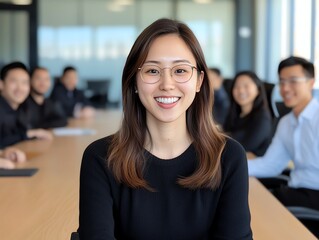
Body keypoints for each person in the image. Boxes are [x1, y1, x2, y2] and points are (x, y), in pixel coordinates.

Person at [78, 18, 252, 240]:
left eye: (180, 70)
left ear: (199, 81)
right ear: (133, 82)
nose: (167, 84)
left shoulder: (228, 157)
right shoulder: (101, 158)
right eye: (152, 71)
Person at [248, 56, 319, 212]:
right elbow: (271, 165)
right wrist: (227, 166)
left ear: (311, 82)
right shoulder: (286, 122)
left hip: (314, 196)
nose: (285, 88)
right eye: (282, 81)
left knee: (258, 210)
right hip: (294, 190)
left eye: (293, 81)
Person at [0, 62, 53, 149]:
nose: (20, 88)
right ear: (1, 84)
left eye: (24, 82)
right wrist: (29, 133)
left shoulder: (19, 108)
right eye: (14, 81)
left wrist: (30, 133)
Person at [223, 71, 272, 156]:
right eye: (237, 86)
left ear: (258, 90)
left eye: (246, 86)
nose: (241, 91)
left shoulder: (262, 118)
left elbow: (245, 147)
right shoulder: (234, 114)